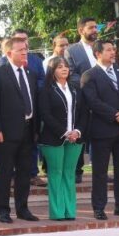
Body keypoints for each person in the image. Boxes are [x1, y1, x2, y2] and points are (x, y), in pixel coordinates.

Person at [82, 39, 119, 220]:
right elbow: (93, 102)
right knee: (100, 171)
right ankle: (99, 207)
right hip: (103, 130)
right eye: (108, 50)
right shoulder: (89, 75)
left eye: (113, 49)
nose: (113, 52)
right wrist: (116, 115)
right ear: (98, 53)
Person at [0, 36, 39, 223]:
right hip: (6, 132)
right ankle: (2, 210)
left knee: (25, 172)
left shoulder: (30, 73)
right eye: (20, 50)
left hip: (28, 130)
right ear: (8, 53)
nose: (25, 52)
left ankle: (22, 208)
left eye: (26, 49)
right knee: (5, 173)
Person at [37, 57, 84, 220]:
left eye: (66, 67)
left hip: (75, 138)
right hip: (53, 138)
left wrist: (77, 131)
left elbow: (84, 113)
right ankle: (57, 212)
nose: (64, 69)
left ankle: (70, 211)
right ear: (52, 71)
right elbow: (46, 115)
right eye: (59, 67)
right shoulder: (46, 90)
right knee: (56, 173)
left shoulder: (76, 88)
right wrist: (65, 132)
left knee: (69, 174)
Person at [66, 17, 101, 183]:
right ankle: (77, 170)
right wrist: (89, 86)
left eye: (96, 27)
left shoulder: (103, 47)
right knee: (80, 134)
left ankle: (100, 170)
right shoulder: (72, 50)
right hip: (82, 99)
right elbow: (71, 75)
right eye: (91, 27)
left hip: (103, 100)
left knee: (101, 136)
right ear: (81, 30)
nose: (95, 30)